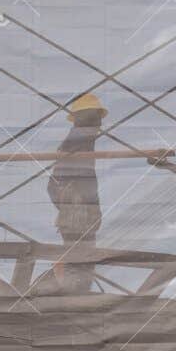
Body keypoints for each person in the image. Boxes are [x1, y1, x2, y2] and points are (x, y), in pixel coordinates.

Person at [46, 91, 106, 292]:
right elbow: (53, 186)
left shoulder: (82, 143)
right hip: (78, 217)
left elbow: (53, 186)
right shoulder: (78, 141)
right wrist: (73, 206)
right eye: (96, 118)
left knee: (82, 260)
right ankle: (73, 294)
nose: (100, 124)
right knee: (81, 260)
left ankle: (75, 292)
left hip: (80, 215)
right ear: (84, 119)